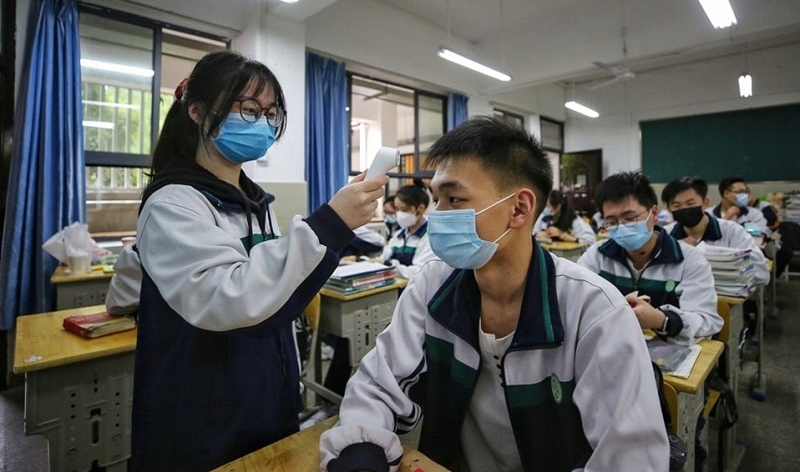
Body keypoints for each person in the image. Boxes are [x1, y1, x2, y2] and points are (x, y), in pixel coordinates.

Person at [319, 116, 669, 472]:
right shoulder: (433, 285)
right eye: (436, 199)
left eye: (454, 199)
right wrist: (360, 453)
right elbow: (378, 385)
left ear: (519, 209)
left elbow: (631, 459)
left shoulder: (594, 311)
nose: (439, 215)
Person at [123, 50, 387, 472]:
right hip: (204, 408)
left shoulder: (253, 200)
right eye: (248, 109)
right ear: (196, 112)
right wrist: (332, 223)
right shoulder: (174, 203)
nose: (262, 122)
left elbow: (274, 289)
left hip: (264, 390)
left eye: (270, 112)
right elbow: (230, 297)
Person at [578, 171, 722, 346]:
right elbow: (576, 301)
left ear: (653, 213)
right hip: (611, 345)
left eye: (630, 218)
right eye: (612, 221)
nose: (622, 227)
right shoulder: (597, 256)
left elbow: (706, 320)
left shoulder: (688, 260)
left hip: (667, 351)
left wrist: (662, 320)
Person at [660, 176, 769, 287]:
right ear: (669, 208)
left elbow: (762, 275)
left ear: (705, 203)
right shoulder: (665, 235)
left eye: (690, 204)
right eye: (676, 205)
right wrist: (677, 249)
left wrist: (704, 251)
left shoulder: (733, 231)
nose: (684, 209)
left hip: (724, 299)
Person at [377, 180, 436, 279]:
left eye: (404, 210)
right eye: (397, 209)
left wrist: (388, 265)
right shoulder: (399, 235)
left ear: (420, 208)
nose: (399, 214)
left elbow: (418, 272)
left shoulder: (430, 236)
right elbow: (383, 258)